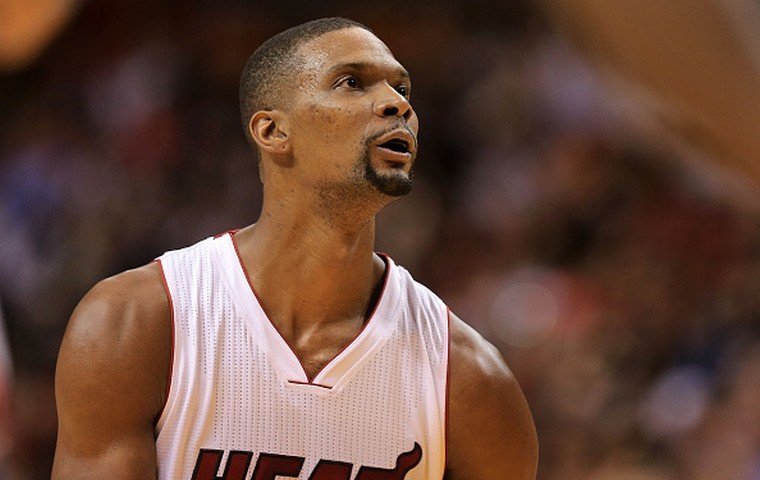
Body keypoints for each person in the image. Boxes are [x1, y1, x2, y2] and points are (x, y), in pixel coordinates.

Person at [52, 17, 538, 480]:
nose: (397, 105)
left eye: (403, 90)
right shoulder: (138, 323)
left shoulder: (468, 379)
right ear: (273, 131)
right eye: (352, 83)